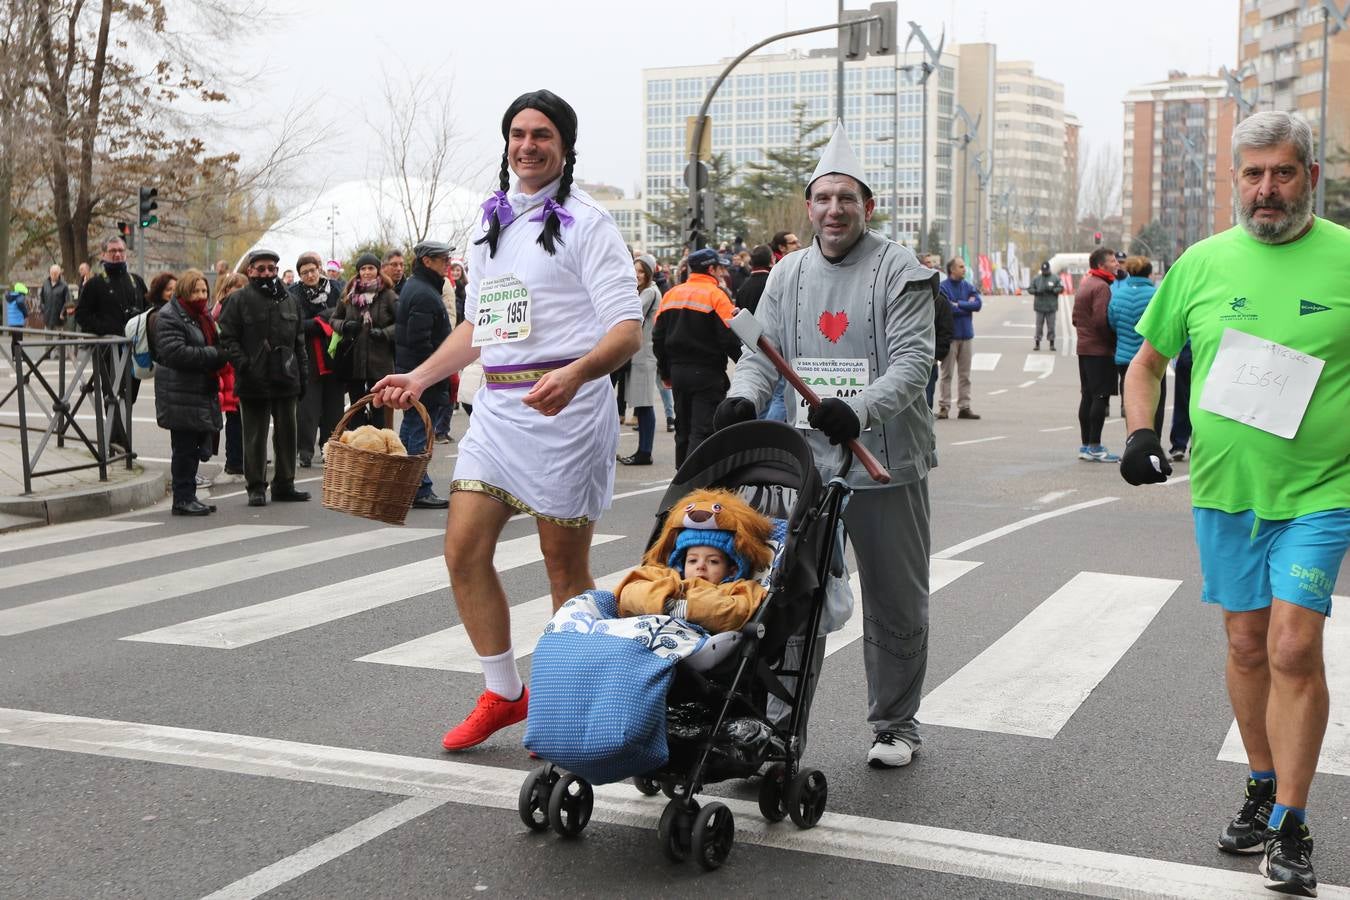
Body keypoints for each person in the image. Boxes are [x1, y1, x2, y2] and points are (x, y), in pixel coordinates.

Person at [1119, 110, 1348, 898]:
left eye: (1283, 172)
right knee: (1247, 643)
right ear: (1235, 182)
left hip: (1324, 491)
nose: (1267, 189)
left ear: (1310, 178)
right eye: (1252, 174)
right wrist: (1140, 433)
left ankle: (1291, 825)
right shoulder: (1202, 264)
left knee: (1291, 646)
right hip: (1225, 491)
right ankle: (1259, 783)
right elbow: (1145, 365)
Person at [371, 89, 641, 752]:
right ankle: (504, 692)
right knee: (462, 548)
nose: (527, 145)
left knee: (561, 566)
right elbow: (481, 328)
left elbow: (627, 331)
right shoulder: (488, 221)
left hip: (568, 412)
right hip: (497, 410)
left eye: (541, 135)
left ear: (564, 147)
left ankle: (572, 702)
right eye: (518, 134)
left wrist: (576, 373)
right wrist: (421, 376)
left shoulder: (589, 224)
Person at [712, 122, 938, 769]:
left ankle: (896, 724)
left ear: (868, 206)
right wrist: (744, 400)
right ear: (808, 206)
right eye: (823, 198)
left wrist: (858, 410)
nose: (834, 209)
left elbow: (912, 364)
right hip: (808, 467)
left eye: (848, 198)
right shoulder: (785, 275)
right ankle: (777, 732)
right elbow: (764, 357)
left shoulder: (900, 270)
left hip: (886, 464)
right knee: (790, 595)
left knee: (896, 597)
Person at [217, 248, 310, 508]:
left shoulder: (290, 301)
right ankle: (256, 487)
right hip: (253, 380)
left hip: (286, 378)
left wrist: (303, 377)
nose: (267, 273)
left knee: (287, 435)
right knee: (254, 437)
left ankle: (285, 484)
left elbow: (299, 342)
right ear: (250, 270)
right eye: (261, 268)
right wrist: (244, 364)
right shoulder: (238, 300)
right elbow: (227, 338)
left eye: (272, 268)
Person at [616, 488, 774, 632]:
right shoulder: (669, 577)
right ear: (682, 562)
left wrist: (686, 608)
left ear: (732, 569)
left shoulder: (737, 588)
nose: (700, 567)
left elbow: (737, 610)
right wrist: (665, 603)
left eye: (713, 562)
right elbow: (630, 591)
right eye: (692, 561)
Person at [652, 247, 741, 467]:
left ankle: (680, 484)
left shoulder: (671, 294)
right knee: (702, 431)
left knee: (682, 429)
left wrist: (665, 372)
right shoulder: (717, 296)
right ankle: (695, 485)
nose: (723, 273)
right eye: (720, 268)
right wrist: (747, 363)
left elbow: (658, 338)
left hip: (678, 372)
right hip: (708, 374)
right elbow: (729, 338)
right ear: (711, 269)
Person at [153, 269, 227, 516]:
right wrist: (214, 355)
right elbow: (175, 353)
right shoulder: (170, 316)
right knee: (184, 449)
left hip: (198, 390)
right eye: (195, 290)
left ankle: (189, 495)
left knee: (195, 447)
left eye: (204, 290)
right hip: (180, 393)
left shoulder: (201, 314)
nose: (201, 295)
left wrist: (218, 353)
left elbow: (214, 343)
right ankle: (182, 498)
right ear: (184, 290)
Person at [394, 239, 455, 509]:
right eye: (443, 259)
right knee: (419, 430)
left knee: (411, 428)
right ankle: (419, 487)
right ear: (427, 261)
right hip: (423, 376)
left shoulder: (419, 287)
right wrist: (432, 372)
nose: (448, 264)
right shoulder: (423, 292)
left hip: (416, 372)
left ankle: (407, 484)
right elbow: (421, 341)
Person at [75, 236, 148, 449]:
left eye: (121, 250)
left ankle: (120, 440)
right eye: (112, 250)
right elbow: (82, 315)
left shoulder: (136, 281)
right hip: (108, 351)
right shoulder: (96, 283)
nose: (117, 254)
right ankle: (116, 443)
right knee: (112, 397)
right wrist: (106, 330)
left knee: (129, 397)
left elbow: (147, 309)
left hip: (134, 351)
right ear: (103, 254)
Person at [289, 252, 346, 468]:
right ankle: (304, 450)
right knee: (307, 408)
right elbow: (296, 324)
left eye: (312, 270)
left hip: (334, 354)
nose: (310, 275)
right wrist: (322, 321)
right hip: (307, 356)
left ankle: (330, 447)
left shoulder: (337, 288)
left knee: (334, 406)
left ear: (319, 268)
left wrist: (320, 320)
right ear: (299, 275)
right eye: (304, 273)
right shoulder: (293, 293)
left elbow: (344, 313)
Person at [331, 253, 398, 429]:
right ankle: (359, 447)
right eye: (363, 268)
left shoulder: (388, 295)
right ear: (358, 271)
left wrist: (384, 333)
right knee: (357, 407)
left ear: (378, 271)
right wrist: (345, 325)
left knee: (379, 408)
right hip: (354, 360)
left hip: (380, 361)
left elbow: (403, 323)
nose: (367, 272)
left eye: (371, 268)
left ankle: (379, 448)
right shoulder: (348, 293)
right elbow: (333, 319)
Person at [1073, 247, 1121, 462]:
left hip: (1084, 347)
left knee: (1087, 396)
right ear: (1101, 265)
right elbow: (1102, 321)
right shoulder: (1102, 287)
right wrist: (1112, 339)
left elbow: (1075, 318)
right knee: (1100, 397)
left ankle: (1085, 445)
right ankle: (1095, 446)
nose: (1117, 264)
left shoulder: (1086, 282)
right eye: (1112, 261)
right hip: (1100, 350)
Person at [1107, 256, 1164, 435]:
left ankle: (1132, 442)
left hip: (1124, 358)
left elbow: (1112, 323)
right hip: (1151, 357)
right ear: (1148, 274)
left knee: (1131, 405)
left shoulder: (1118, 295)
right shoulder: (1156, 295)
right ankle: (1154, 444)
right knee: (1156, 403)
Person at [618, 254, 661, 466]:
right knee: (642, 405)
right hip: (640, 355)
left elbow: (630, 311)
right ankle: (643, 450)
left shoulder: (650, 293)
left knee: (644, 405)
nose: (637, 276)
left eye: (642, 272)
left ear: (650, 273)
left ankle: (645, 452)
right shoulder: (647, 291)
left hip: (644, 356)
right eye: (635, 271)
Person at [936, 257, 982, 420]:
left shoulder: (968, 286)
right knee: (946, 374)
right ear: (952, 270)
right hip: (951, 336)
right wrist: (965, 305)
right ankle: (944, 407)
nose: (964, 269)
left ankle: (964, 406)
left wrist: (959, 304)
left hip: (966, 335)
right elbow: (947, 308)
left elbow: (978, 304)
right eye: (961, 267)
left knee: (965, 375)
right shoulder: (943, 287)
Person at [213, 273, 247, 483]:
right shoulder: (220, 313)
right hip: (230, 372)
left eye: (243, 287)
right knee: (234, 421)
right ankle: (233, 464)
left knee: (244, 421)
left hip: (243, 372)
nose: (239, 291)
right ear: (226, 291)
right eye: (235, 287)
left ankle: (241, 462)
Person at [1028, 261, 1063, 351]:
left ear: (1049, 269)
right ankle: (1037, 343)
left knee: (1051, 326)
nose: (1045, 272)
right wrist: (1036, 291)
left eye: (1046, 270)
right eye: (1043, 270)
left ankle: (1052, 343)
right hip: (1039, 306)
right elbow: (1030, 288)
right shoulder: (1037, 278)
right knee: (1039, 327)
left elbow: (1061, 288)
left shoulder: (1055, 278)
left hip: (1051, 307)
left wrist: (1053, 290)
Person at [39, 265, 70, 333]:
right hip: (48, 318)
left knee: (59, 340)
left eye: (55, 273)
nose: (53, 275)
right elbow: (41, 298)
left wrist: (63, 313)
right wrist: (43, 310)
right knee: (48, 340)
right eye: (52, 273)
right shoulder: (45, 284)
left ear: (59, 274)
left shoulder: (64, 285)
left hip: (59, 319)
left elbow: (67, 301)